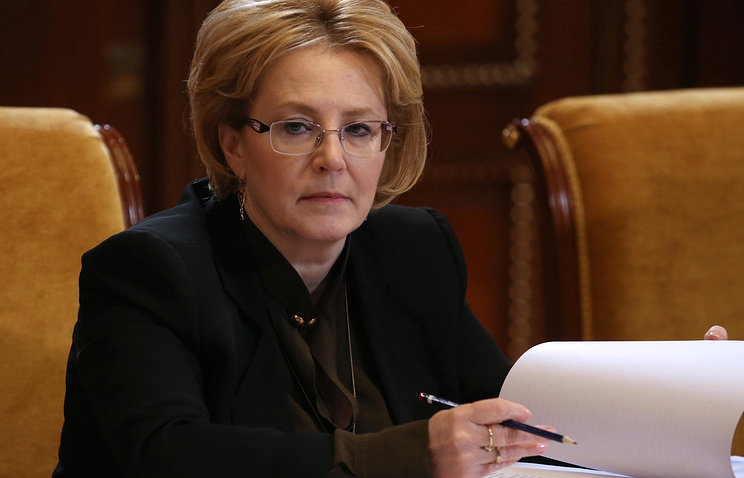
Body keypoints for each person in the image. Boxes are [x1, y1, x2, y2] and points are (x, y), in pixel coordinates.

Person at [52, 0, 728, 476]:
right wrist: (414, 453)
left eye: (358, 129)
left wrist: (665, 403)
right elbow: (169, 457)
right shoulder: (150, 270)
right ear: (232, 142)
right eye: (295, 127)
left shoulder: (413, 250)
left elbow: (512, 423)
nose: (332, 159)